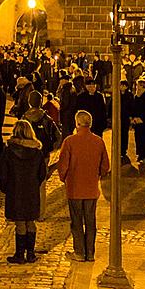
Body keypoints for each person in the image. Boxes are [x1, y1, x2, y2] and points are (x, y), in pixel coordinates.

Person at [57, 110, 110, 262]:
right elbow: (105, 165)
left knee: (77, 221)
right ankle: (90, 253)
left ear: (77, 123)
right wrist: (98, 175)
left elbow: (63, 165)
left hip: (74, 188)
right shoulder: (98, 141)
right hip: (91, 189)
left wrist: (64, 178)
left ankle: (79, 252)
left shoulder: (69, 141)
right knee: (91, 221)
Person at [0, 119, 47, 264]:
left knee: (20, 222)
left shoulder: (9, 151)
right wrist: (34, 183)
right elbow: (42, 173)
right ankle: (30, 253)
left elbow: (3, 172)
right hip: (31, 191)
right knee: (30, 221)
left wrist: (5, 187)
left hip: (15, 190)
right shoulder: (37, 152)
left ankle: (20, 254)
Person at [22, 91, 61, 221]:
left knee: (28, 183)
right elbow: (58, 136)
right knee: (41, 185)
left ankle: (29, 211)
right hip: (43, 155)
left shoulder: (24, 118)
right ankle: (41, 214)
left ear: (29, 102)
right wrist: (51, 147)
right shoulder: (46, 118)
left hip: (28, 155)